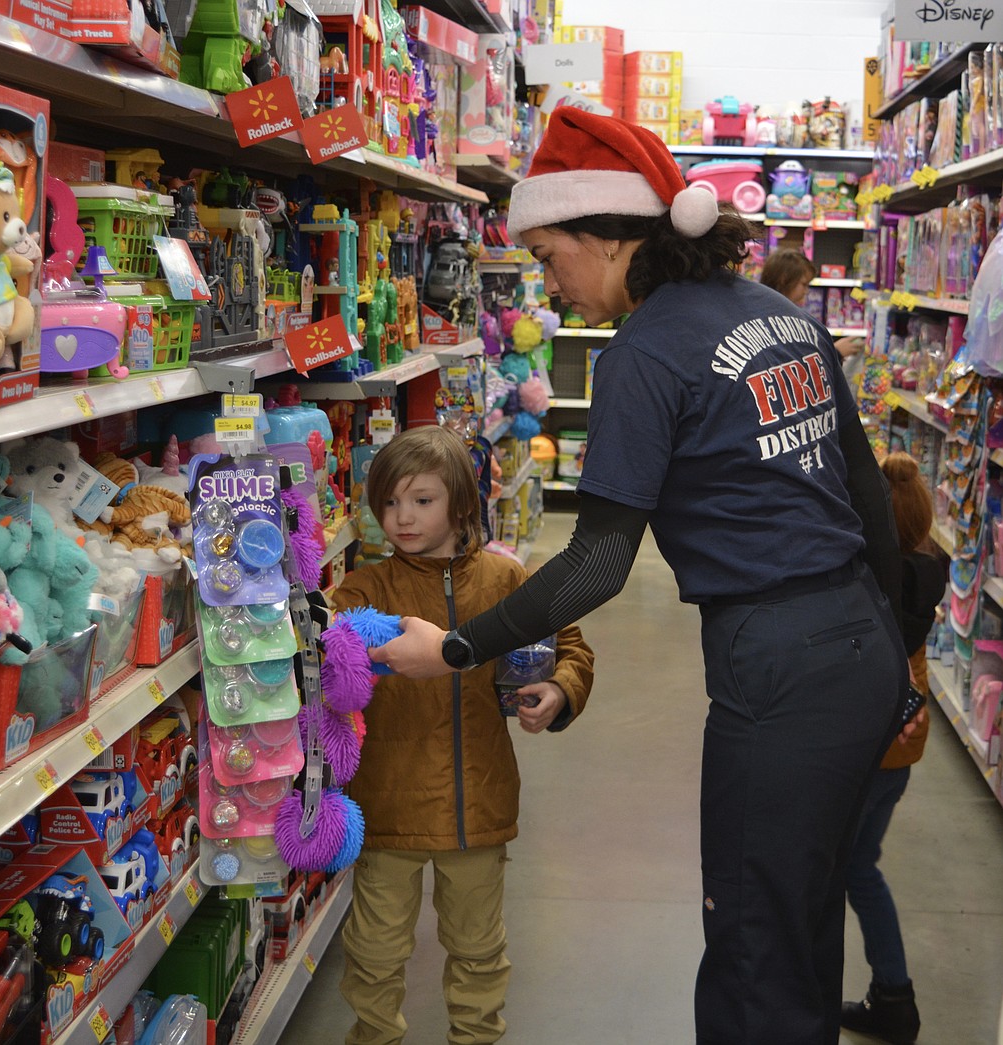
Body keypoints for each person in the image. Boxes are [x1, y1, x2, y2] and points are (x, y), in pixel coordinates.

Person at [371, 107, 916, 1045]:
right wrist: (899, 651)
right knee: (801, 915)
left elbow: (599, 559)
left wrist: (459, 645)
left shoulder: (647, 351)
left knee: (750, 938)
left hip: (776, 664)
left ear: (606, 234)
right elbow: (867, 498)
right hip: (859, 644)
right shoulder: (781, 313)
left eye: (549, 256)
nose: (548, 284)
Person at [332, 425, 594, 1045]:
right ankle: (374, 1036)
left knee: (478, 948)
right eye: (390, 503)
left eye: (422, 501)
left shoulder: (507, 584)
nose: (402, 517)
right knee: (374, 950)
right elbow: (326, 657)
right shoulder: (366, 590)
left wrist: (558, 691)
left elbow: (573, 648)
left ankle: (476, 1037)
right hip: (387, 804)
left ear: (461, 503)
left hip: (479, 801)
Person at [841, 452, 947, 1045]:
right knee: (861, 862)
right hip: (903, 745)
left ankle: (895, 997)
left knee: (847, 865)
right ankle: (893, 996)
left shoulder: (877, 581)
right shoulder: (928, 565)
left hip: (871, 740)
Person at [761, 247, 865, 360]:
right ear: (784, 280)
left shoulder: (783, 313)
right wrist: (835, 353)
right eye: (804, 284)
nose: (806, 291)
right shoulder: (771, 321)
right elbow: (792, 364)